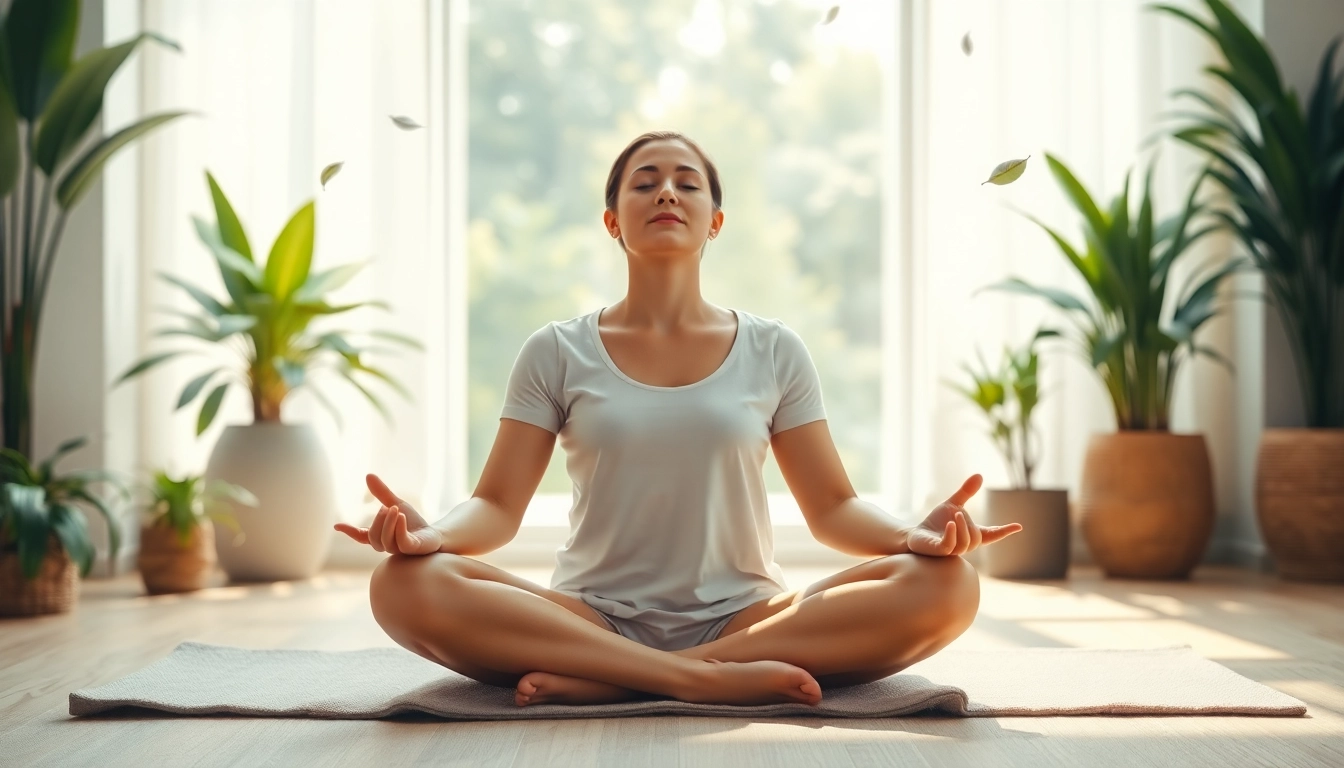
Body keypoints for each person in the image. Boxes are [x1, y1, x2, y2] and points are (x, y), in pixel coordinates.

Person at [335, 131, 1023, 708]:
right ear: (613, 221)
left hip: (748, 619)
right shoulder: (555, 350)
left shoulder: (774, 349)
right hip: (589, 619)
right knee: (401, 584)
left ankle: (620, 683)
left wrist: (914, 535)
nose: (666, 191)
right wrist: (430, 536)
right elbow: (494, 505)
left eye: (687, 182)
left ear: (715, 221)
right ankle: (691, 682)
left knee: (949, 584)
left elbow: (834, 508)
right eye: (644, 182)